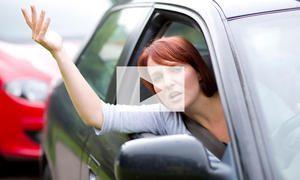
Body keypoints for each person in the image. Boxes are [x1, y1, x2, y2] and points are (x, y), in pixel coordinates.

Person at [21, 6, 229, 163]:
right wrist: (58, 53)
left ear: (199, 71)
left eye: (174, 70)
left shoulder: (244, 96)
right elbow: (96, 114)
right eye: (156, 79)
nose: (166, 84)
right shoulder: (163, 117)